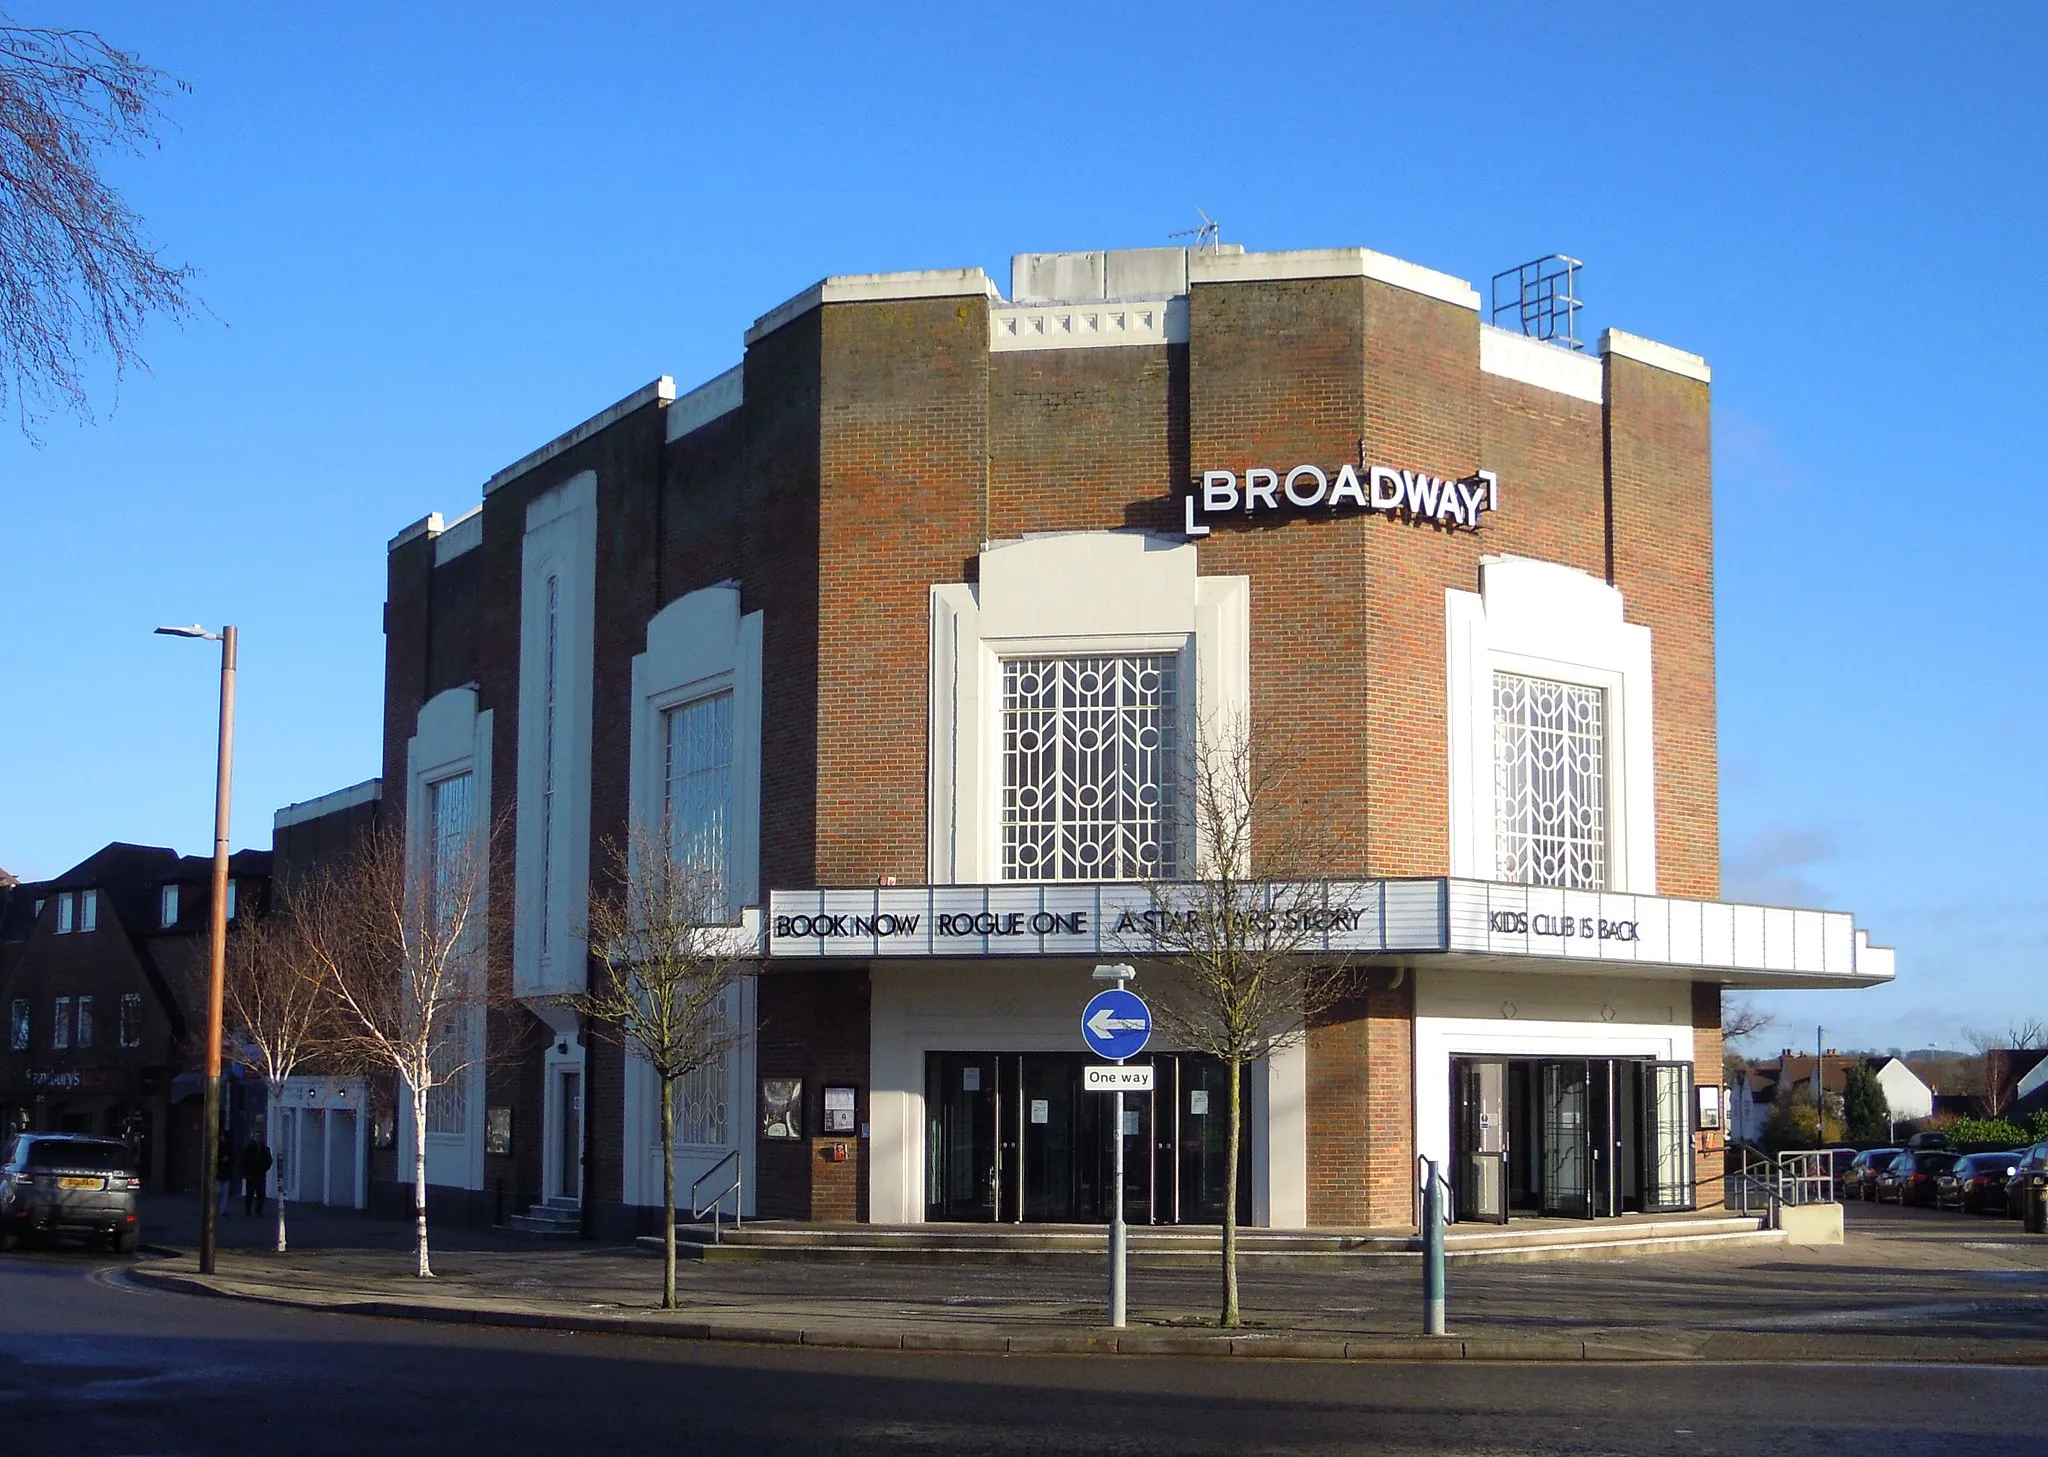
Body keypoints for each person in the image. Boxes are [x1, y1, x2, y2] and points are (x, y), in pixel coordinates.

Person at [241, 1137, 274, 1217]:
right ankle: (248, 1211)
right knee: (250, 1194)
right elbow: (244, 1160)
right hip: (251, 1174)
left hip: (260, 1174)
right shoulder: (249, 1149)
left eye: (260, 1137)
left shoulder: (265, 1149)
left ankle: (258, 1210)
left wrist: (264, 1168)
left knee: (261, 1194)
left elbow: (269, 1160)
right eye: (257, 1137)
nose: (258, 1139)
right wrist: (246, 1171)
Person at [215, 1140, 234, 1217]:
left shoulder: (222, 1150)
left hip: (222, 1175)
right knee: (222, 1193)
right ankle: (222, 1210)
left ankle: (221, 1210)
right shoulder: (228, 1150)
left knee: (220, 1193)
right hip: (223, 1175)